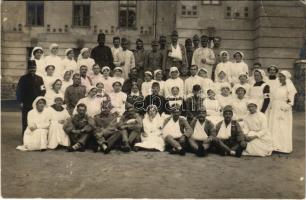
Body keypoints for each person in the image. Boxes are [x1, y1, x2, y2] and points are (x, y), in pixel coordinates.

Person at [269, 70, 297, 153]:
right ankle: (275, 146)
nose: (280, 78)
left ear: (286, 78)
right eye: (279, 76)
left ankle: (283, 147)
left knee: (282, 127)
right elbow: (274, 97)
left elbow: (290, 101)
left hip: (283, 110)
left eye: (281, 76)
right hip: (275, 109)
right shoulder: (278, 87)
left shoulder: (289, 88)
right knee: (275, 127)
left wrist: (284, 108)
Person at [16, 60, 46, 136]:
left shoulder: (40, 78)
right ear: (28, 69)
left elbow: (43, 90)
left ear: (36, 68)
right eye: (31, 68)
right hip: (26, 103)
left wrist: (40, 100)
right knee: (25, 120)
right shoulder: (23, 78)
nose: (32, 69)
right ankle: (25, 136)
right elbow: (19, 91)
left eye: (34, 68)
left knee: (36, 119)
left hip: (36, 103)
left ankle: (35, 136)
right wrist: (20, 102)